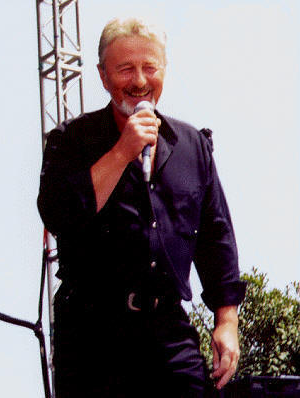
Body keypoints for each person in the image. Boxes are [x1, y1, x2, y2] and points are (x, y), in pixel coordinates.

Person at [37, 17, 246, 398]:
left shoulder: (192, 146)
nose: (139, 81)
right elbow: (58, 214)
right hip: (92, 336)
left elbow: (216, 235)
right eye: (125, 69)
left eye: (150, 68)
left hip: (168, 331)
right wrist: (121, 153)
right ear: (103, 76)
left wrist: (226, 319)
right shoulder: (70, 141)